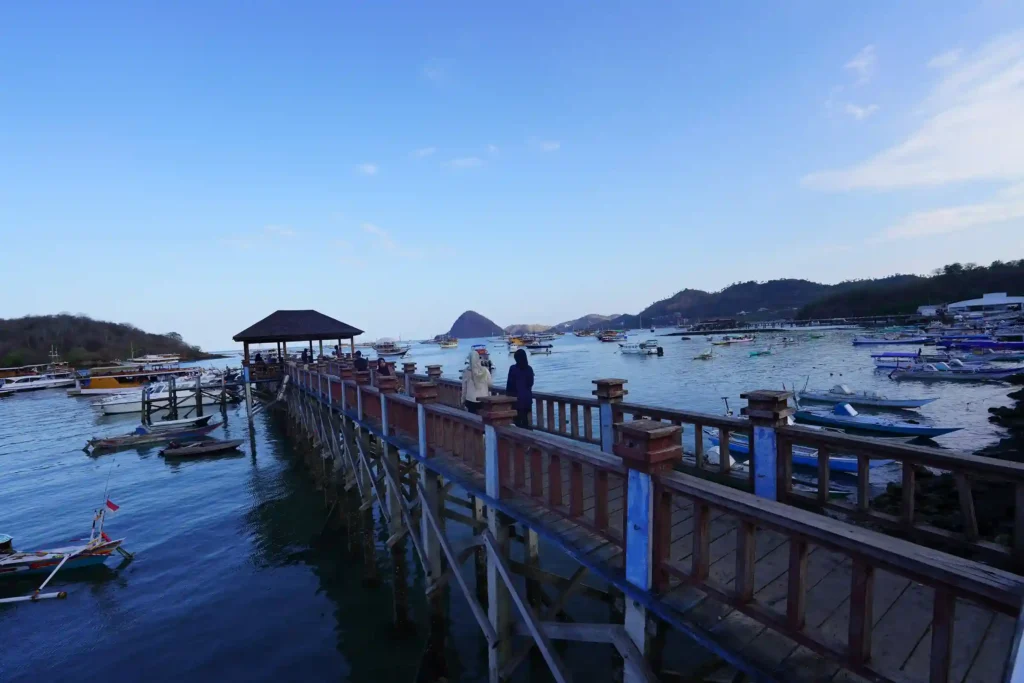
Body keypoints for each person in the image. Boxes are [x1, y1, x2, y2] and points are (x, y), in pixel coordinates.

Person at [505, 349, 534, 428]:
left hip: (516, 399)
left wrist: (508, 396)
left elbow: (509, 384)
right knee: (525, 420)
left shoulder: (513, 368)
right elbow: (530, 383)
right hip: (527, 399)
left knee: (517, 421)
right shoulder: (529, 369)